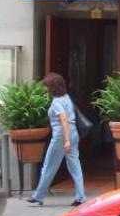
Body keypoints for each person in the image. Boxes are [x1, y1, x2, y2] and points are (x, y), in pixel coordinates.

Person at [28, 73, 86, 206]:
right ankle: (81, 197)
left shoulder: (56, 102)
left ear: (52, 87)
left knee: (48, 165)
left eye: (47, 86)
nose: (45, 88)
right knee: (75, 166)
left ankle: (38, 196)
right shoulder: (67, 98)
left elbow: (63, 120)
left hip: (61, 135)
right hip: (73, 133)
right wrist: (70, 139)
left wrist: (66, 140)